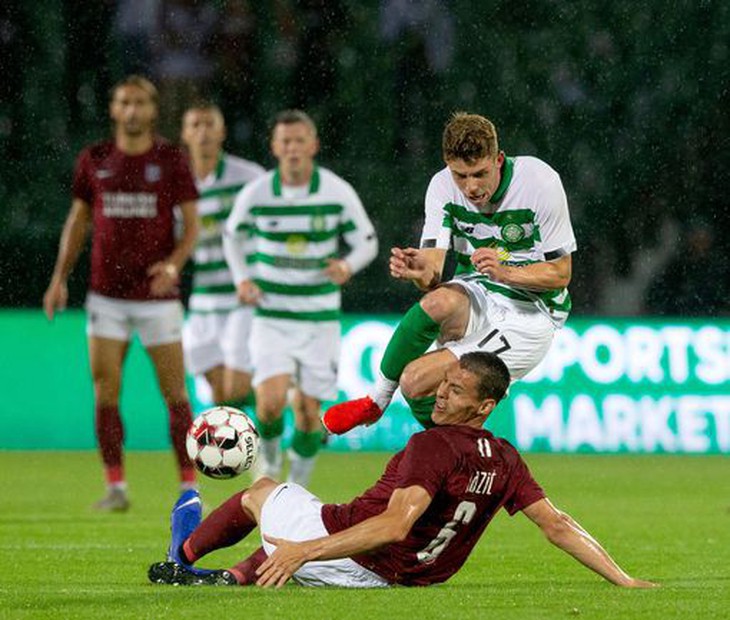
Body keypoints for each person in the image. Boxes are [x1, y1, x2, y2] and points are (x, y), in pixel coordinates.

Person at [147, 352, 655, 589]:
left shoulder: (433, 446)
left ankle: (182, 553)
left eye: (456, 391)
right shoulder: (504, 458)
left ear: (484, 406)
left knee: (261, 490)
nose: (440, 394)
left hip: (358, 555)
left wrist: (307, 551)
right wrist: (623, 580)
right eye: (444, 383)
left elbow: (393, 526)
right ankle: (233, 578)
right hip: (413, 577)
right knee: (290, 524)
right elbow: (557, 524)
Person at [323, 112, 576, 433]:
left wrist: (506, 272)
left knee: (415, 382)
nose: (470, 187)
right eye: (461, 175)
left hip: (532, 314)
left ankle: (458, 457)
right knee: (437, 302)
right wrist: (415, 271)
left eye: (479, 174)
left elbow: (560, 273)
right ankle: (376, 401)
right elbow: (431, 277)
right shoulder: (441, 187)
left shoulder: (539, 181)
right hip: (481, 289)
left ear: (498, 159)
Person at [43, 75, 200, 512]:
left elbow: (193, 226)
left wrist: (173, 265)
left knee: (175, 393)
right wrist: (59, 277)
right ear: (114, 109)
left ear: (152, 110)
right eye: (124, 102)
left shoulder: (171, 158)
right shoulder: (94, 159)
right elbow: (78, 221)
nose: (132, 110)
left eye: (140, 103)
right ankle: (116, 487)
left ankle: (189, 486)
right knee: (105, 391)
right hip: (105, 296)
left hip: (156, 297)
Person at [222, 109, 378, 486]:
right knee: (270, 403)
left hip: (319, 319)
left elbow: (367, 242)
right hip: (271, 316)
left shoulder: (336, 191)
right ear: (275, 147)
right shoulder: (257, 193)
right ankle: (272, 466)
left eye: (299, 141)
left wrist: (347, 266)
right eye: (285, 142)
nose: (292, 148)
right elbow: (232, 235)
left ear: (313, 145)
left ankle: (299, 486)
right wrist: (242, 279)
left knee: (309, 413)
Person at [180, 102, 265, 408]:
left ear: (222, 131)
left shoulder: (249, 177)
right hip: (203, 298)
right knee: (220, 394)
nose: (202, 132)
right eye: (195, 125)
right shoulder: (178, 184)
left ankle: (288, 399)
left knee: (233, 389)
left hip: (241, 295)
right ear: (185, 134)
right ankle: (238, 455)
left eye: (209, 124)